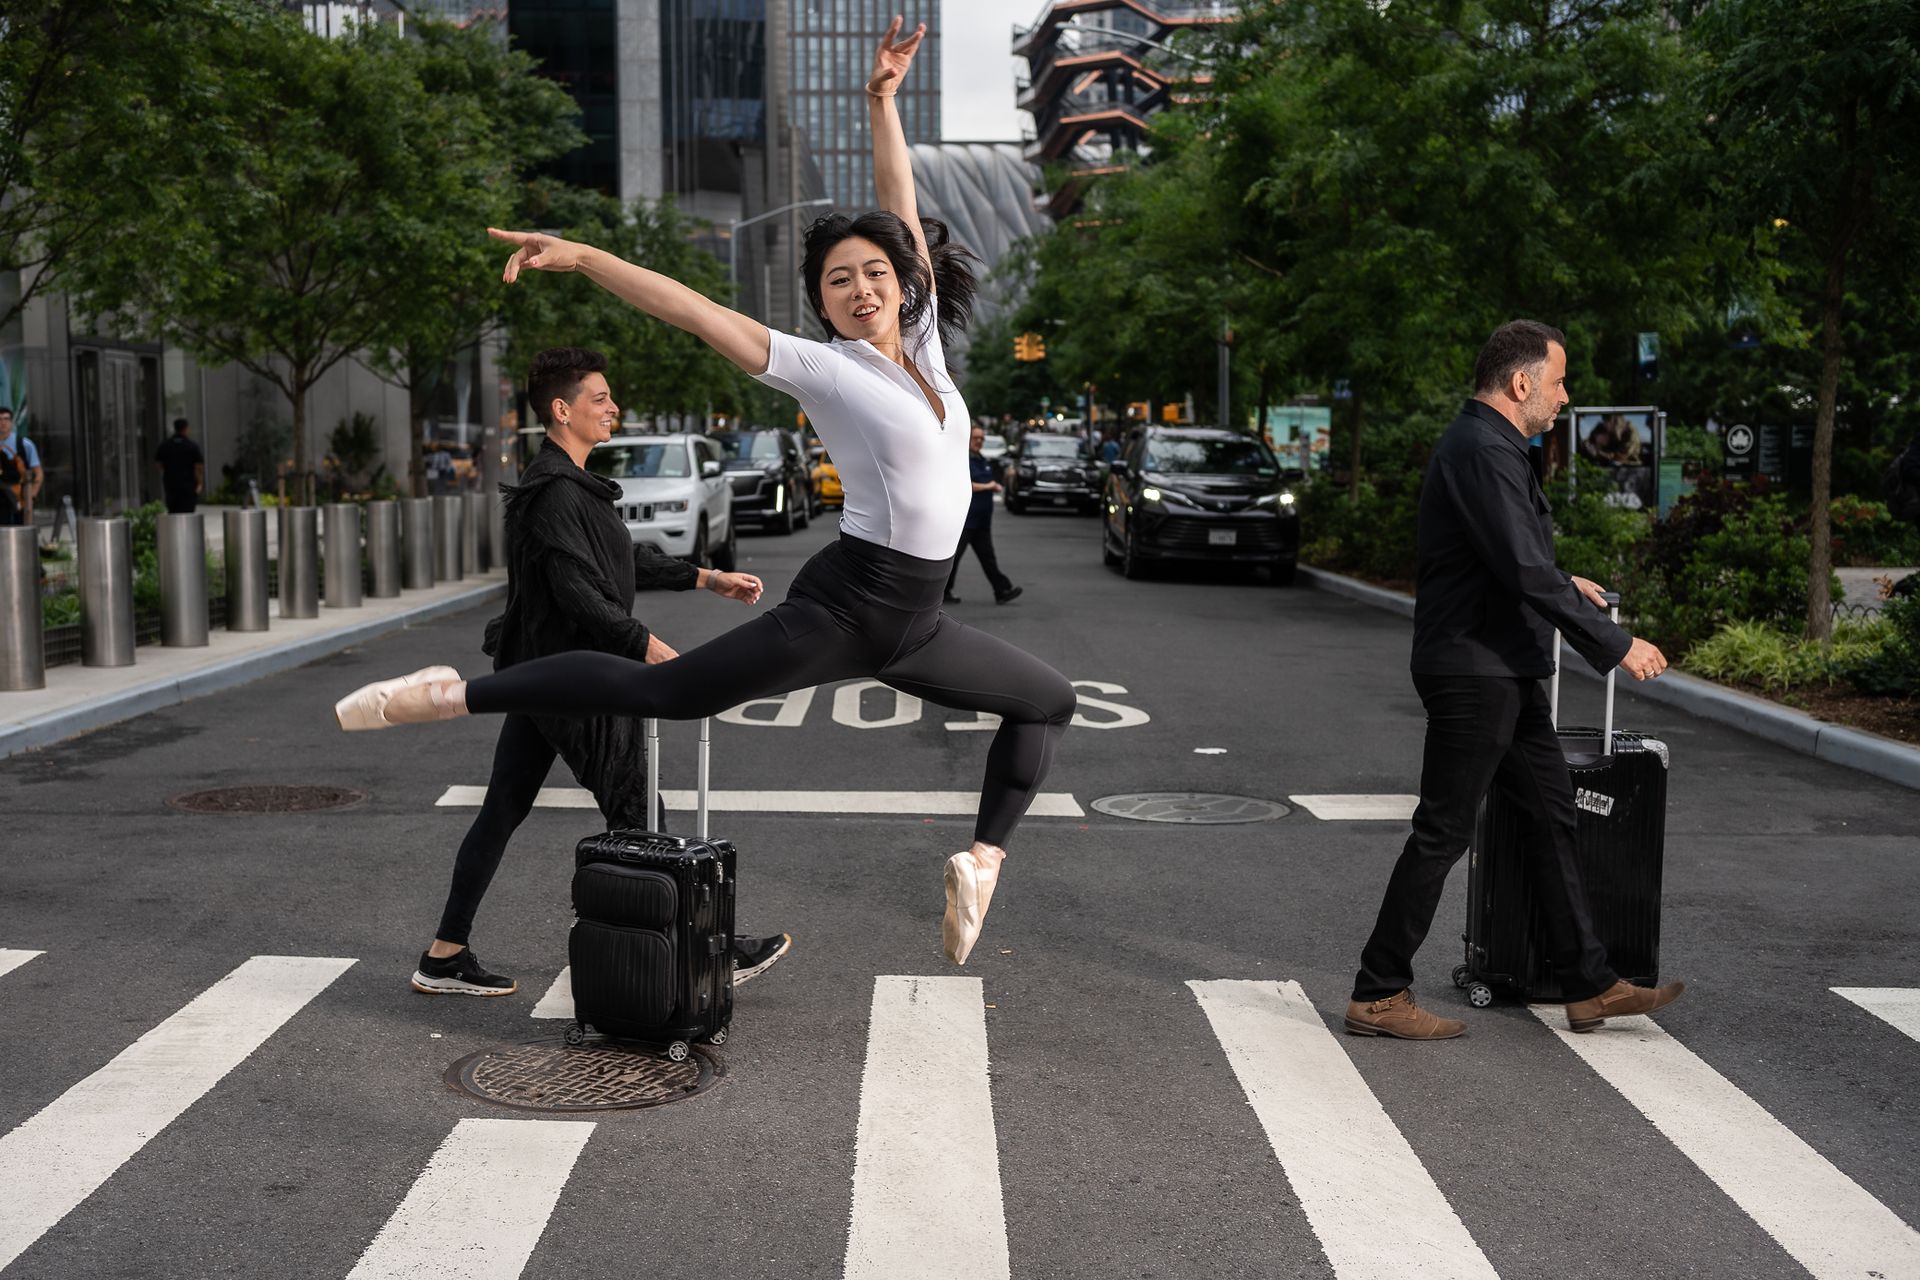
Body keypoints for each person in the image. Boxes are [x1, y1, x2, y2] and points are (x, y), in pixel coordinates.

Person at [334, 17, 1076, 968]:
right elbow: (694, 311)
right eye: (840, 280)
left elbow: (899, 202)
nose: (862, 288)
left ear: (903, 283)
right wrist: (590, 257)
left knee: (1045, 703)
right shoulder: (823, 369)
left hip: (922, 621)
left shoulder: (927, 347)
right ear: (821, 303)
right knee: (668, 695)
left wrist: (882, 101)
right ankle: (452, 693)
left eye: (876, 274)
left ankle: (981, 863)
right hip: (851, 604)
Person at [412, 347, 791, 998]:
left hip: (546, 676)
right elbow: (576, 589)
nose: (613, 409)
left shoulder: (573, 486)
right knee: (638, 806)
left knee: (503, 809)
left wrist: (704, 576)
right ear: (563, 411)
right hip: (573, 679)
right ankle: (710, 949)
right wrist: (643, 644)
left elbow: (620, 559)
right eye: (600, 399)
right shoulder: (556, 491)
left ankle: (445, 954)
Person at [1345, 320, 1685, 1040]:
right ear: (1521, 382)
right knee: (1443, 831)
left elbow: (1511, 557)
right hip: (1475, 670)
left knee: (1553, 816)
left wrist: (1567, 582)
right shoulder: (1481, 449)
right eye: (1558, 382)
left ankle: (1588, 985)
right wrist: (1616, 643)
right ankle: (1378, 992)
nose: (1565, 397)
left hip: (1501, 664)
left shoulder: (1493, 447)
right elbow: (1522, 569)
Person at [944, 424, 1022, 606]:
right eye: (975, 438)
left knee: (988, 558)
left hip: (982, 522)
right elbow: (965, 484)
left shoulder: (980, 459)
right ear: (968, 439)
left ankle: (1002, 590)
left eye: (981, 439)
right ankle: (942, 592)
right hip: (966, 520)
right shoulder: (963, 460)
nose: (979, 441)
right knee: (953, 558)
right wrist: (989, 486)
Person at [0, 407, 42, 526]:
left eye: (6, 419)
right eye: (0, 419)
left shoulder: (24, 444)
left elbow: (38, 473)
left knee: (21, 529)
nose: (3, 423)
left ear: (12, 422)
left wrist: (32, 495)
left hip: (20, 496)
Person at [155, 418, 206, 514]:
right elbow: (198, 467)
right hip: (188, 485)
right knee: (188, 512)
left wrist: (169, 469)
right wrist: (199, 483)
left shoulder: (165, 445)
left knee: (173, 511)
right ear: (186, 429)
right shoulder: (192, 446)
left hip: (171, 484)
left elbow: (158, 464)